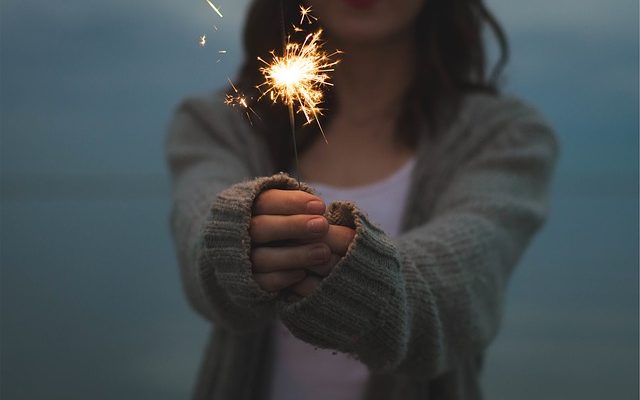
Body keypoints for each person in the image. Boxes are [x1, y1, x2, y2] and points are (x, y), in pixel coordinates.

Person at [165, 0, 559, 399]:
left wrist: (362, 276)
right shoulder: (220, 124)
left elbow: (463, 288)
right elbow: (200, 236)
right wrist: (236, 239)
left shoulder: (504, 136)